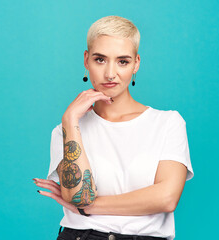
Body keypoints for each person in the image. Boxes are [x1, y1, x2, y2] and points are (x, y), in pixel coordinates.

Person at [33, 15, 194, 240]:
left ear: (136, 63)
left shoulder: (167, 123)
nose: (110, 74)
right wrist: (70, 119)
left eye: (123, 61)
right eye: (100, 60)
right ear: (86, 60)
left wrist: (88, 208)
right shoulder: (66, 130)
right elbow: (79, 196)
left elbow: (167, 198)